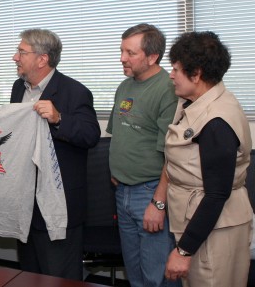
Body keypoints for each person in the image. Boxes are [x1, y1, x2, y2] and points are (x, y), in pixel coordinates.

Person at [10, 28, 100, 280]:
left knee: (59, 278)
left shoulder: (75, 92)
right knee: (29, 276)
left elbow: (90, 135)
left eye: (21, 52)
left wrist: (59, 118)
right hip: (26, 204)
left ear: (42, 59)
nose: (14, 57)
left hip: (58, 206)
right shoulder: (19, 88)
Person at [163, 31, 252, 286]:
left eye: (176, 69)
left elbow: (216, 194)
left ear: (197, 74)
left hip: (213, 229)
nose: (171, 75)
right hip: (204, 224)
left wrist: (183, 251)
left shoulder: (216, 122)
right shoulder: (197, 101)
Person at [106, 23, 178, 287]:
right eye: (122, 50)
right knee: (134, 274)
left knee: (156, 277)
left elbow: (173, 156)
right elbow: (121, 135)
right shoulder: (125, 87)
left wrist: (158, 203)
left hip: (150, 193)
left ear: (152, 57)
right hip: (122, 191)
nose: (122, 58)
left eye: (130, 53)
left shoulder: (168, 90)